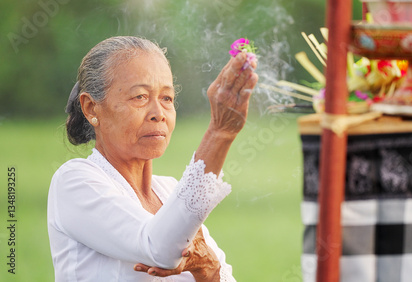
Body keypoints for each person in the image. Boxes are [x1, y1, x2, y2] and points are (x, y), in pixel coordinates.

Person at [47, 36, 258, 281]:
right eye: (140, 97)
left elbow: (218, 273)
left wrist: (208, 269)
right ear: (92, 109)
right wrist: (220, 132)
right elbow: (159, 248)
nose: (158, 114)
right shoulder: (74, 182)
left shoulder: (171, 191)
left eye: (167, 98)